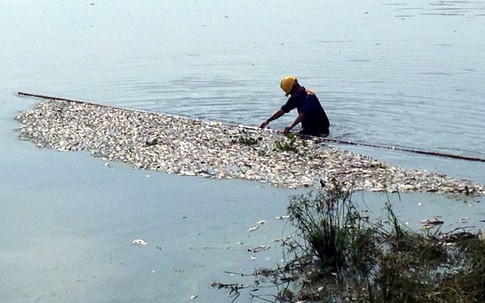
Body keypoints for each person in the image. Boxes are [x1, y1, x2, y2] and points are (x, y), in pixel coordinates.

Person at [260, 76, 330, 137]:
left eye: (291, 92)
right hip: (307, 128)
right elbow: (282, 110)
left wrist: (291, 126)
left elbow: (303, 114)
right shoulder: (295, 97)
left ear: (295, 87)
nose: (291, 95)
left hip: (321, 130)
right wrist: (268, 120)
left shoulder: (309, 96)